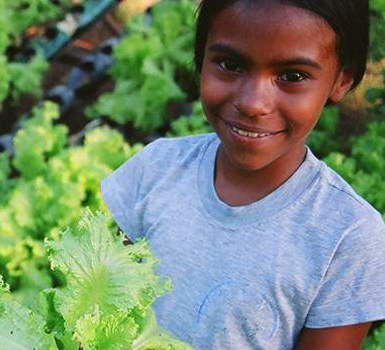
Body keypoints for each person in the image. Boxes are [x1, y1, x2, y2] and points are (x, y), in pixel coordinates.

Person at [101, 0, 384, 349]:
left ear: (342, 79)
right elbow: (102, 311)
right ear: (200, 57)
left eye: (292, 76)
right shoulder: (157, 168)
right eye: (230, 64)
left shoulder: (348, 237)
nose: (252, 102)